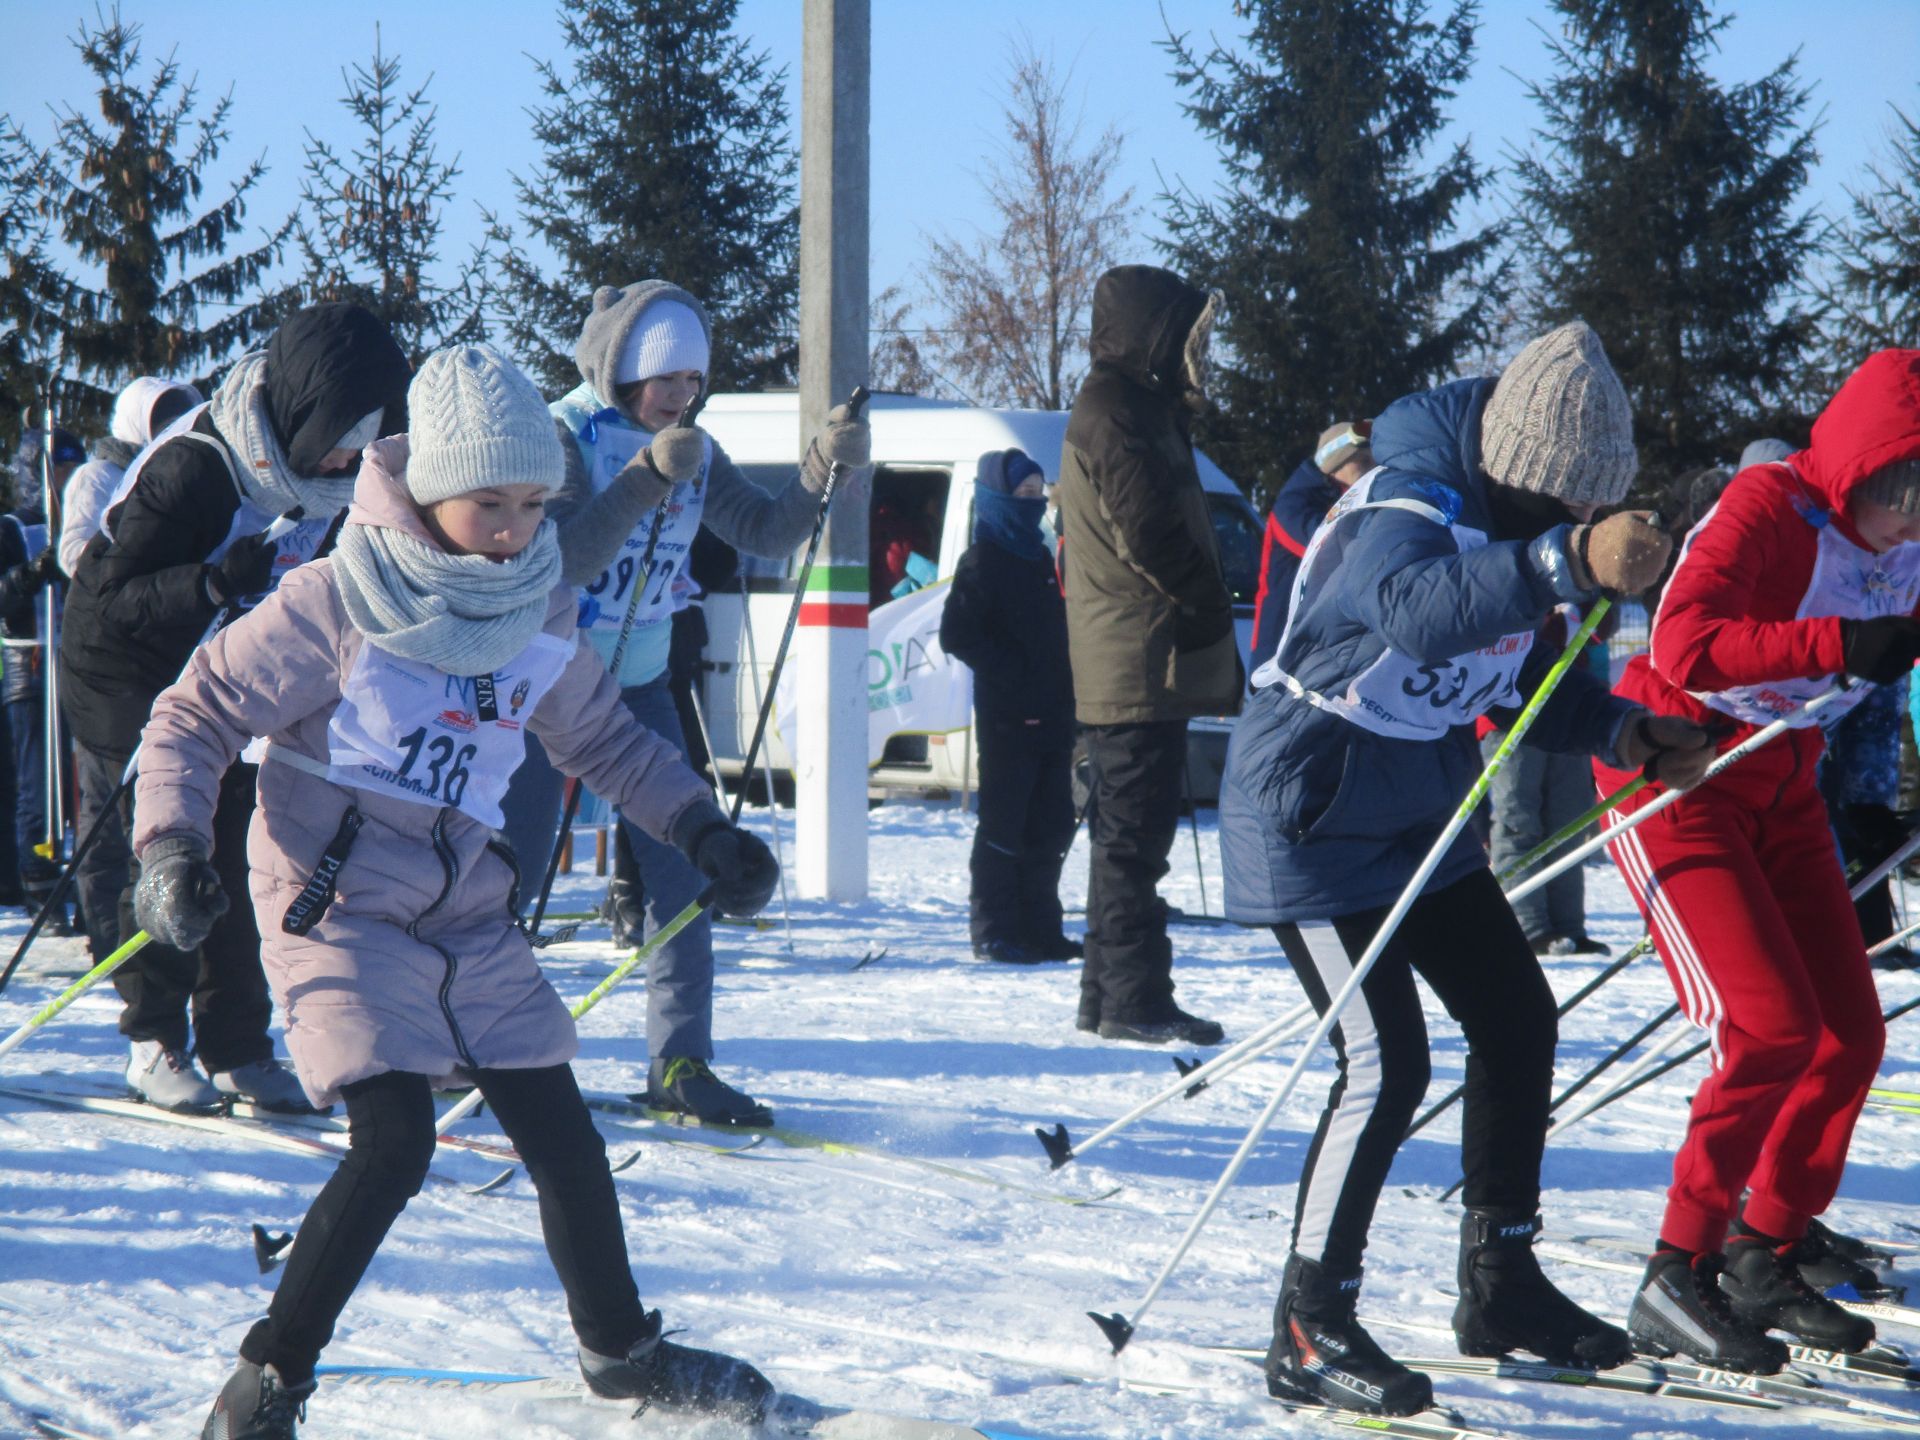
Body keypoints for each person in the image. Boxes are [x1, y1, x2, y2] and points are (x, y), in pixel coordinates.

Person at [127, 343, 779, 1440]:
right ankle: (269, 1378)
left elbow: (607, 739)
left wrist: (700, 826)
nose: (518, 528)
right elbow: (194, 714)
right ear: (428, 484)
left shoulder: (533, 605)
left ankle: (621, 1355)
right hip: (332, 909)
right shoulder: (337, 601)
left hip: (464, 908)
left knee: (563, 1134)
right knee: (395, 1144)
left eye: (535, 503)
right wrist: (169, 848)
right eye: (492, 503)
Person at [1220, 321, 1714, 1416]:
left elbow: (1524, 680)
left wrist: (1632, 736)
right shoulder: (1409, 497)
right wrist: (1565, 562)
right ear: (1530, 479)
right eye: (1570, 507)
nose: (1580, 527)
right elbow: (1413, 608)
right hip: (1304, 813)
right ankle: (1312, 1320)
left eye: (1591, 514)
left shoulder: (1516, 523)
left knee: (1516, 1015)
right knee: (1384, 1060)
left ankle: (1501, 1283)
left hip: (1410, 816)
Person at [1598, 350, 1920, 1372]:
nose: (1909, 534)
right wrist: (1834, 641)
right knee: (1770, 1027)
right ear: (1869, 472)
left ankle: (1762, 1248)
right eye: (1903, 506)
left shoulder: (1910, 538)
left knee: (1848, 1034)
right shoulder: (1764, 506)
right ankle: (1674, 1269)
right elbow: (1686, 643)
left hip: (1786, 784)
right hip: (1680, 777)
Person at [498, 279, 869, 1127]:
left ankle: (682, 1060)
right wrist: (641, 480)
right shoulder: (563, 433)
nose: (682, 396)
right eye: (666, 380)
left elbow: (768, 532)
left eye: (693, 381)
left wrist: (822, 467)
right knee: (509, 868)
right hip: (544, 685)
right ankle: (471, 1043)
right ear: (622, 370)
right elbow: (565, 562)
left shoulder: (695, 443)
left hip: (641, 684)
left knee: (683, 867)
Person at [60, 302, 409, 1113]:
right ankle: (153, 1042)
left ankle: (236, 1045)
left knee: (240, 858)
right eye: (336, 434)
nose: (346, 455)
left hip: (223, 677)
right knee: (172, 853)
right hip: (122, 676)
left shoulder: (322, 489)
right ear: (298, 413)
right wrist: (210, 583)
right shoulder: (197, 467)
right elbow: (106, 595)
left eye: (363, 437)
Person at [1056, 264, 1240, 1045]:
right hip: (1136, 658)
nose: (1199, 350)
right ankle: (1133, 1000)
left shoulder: (1129, 405)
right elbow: (1150, 532)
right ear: (1152, 335)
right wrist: (1203, 600)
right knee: (1134, 841)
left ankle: (1110, 997)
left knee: (1124, 839)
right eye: (1188, 334)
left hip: (1132, 655)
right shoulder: (1120, 411)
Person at [940, 448, 1078, 963]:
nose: (1034, 502)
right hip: (1009, 716)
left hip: (1055, 711)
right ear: (999, 498)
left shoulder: (1040, 555)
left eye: (1038, 493)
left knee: (1051, 824)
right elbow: (957, 634)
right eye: (1023, 494)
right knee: (1005, 825)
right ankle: (994, 929)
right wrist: (1015, 671)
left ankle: (1041, 927)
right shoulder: (984, 559)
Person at [1477, 602, 1615, 955]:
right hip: (1510, 723)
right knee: (1519, 824)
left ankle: (1569, 928)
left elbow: (1602, 633)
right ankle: (1529, 926)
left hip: (1570, 721)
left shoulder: (1575, 598)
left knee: (1568, 826)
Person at [1249, 421, 1373, 672]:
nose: (1372, 469)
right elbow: (1325, 550)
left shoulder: (1349, 498)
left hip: (1321, 647)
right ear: (1338, 463)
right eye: (1364, 462)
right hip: (1280, 649)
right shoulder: (1293, 507)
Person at [61, 377, 202, 576]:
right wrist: (129, 556)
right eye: (164, 421)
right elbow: (73, 555)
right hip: (119, 599)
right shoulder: (100, 476)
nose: (174, 431)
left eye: (181, 420)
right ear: (137, 426)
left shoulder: (182, 478)